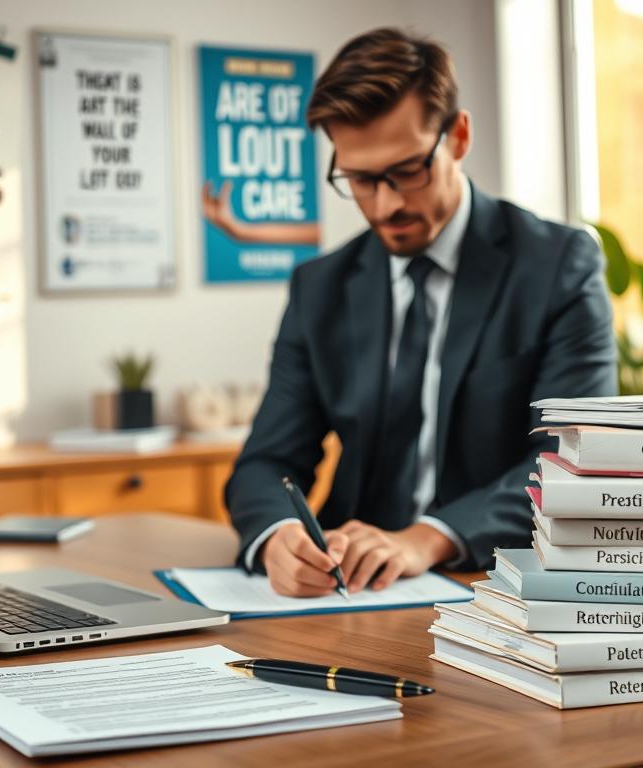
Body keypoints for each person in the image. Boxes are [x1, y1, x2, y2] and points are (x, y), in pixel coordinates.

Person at [225, 27, 616, 597]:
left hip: (496, 583)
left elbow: (571, 458)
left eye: (407, 170)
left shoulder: (558, 266)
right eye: (359, 179)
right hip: (350, 593)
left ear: (457, 137)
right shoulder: (321, 287)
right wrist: (279, 536)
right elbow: (265, 463)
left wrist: (428, 537)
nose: (386, 205)